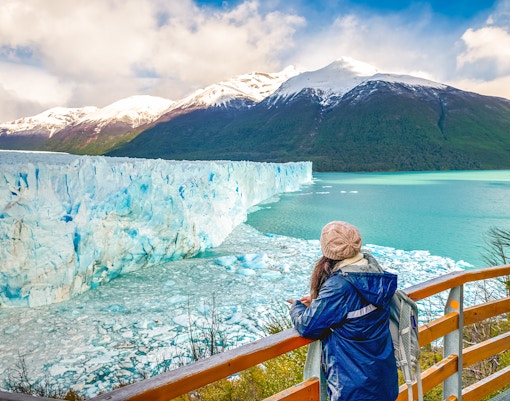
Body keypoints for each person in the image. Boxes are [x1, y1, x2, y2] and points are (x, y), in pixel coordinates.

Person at [288, 221, 399, 401]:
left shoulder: (339, 285)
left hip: (354, 385)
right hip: (382, 379)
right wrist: (320, 304)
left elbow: (308, 326)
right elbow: (356, 308)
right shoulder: (373, 271)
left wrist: (297, 308)